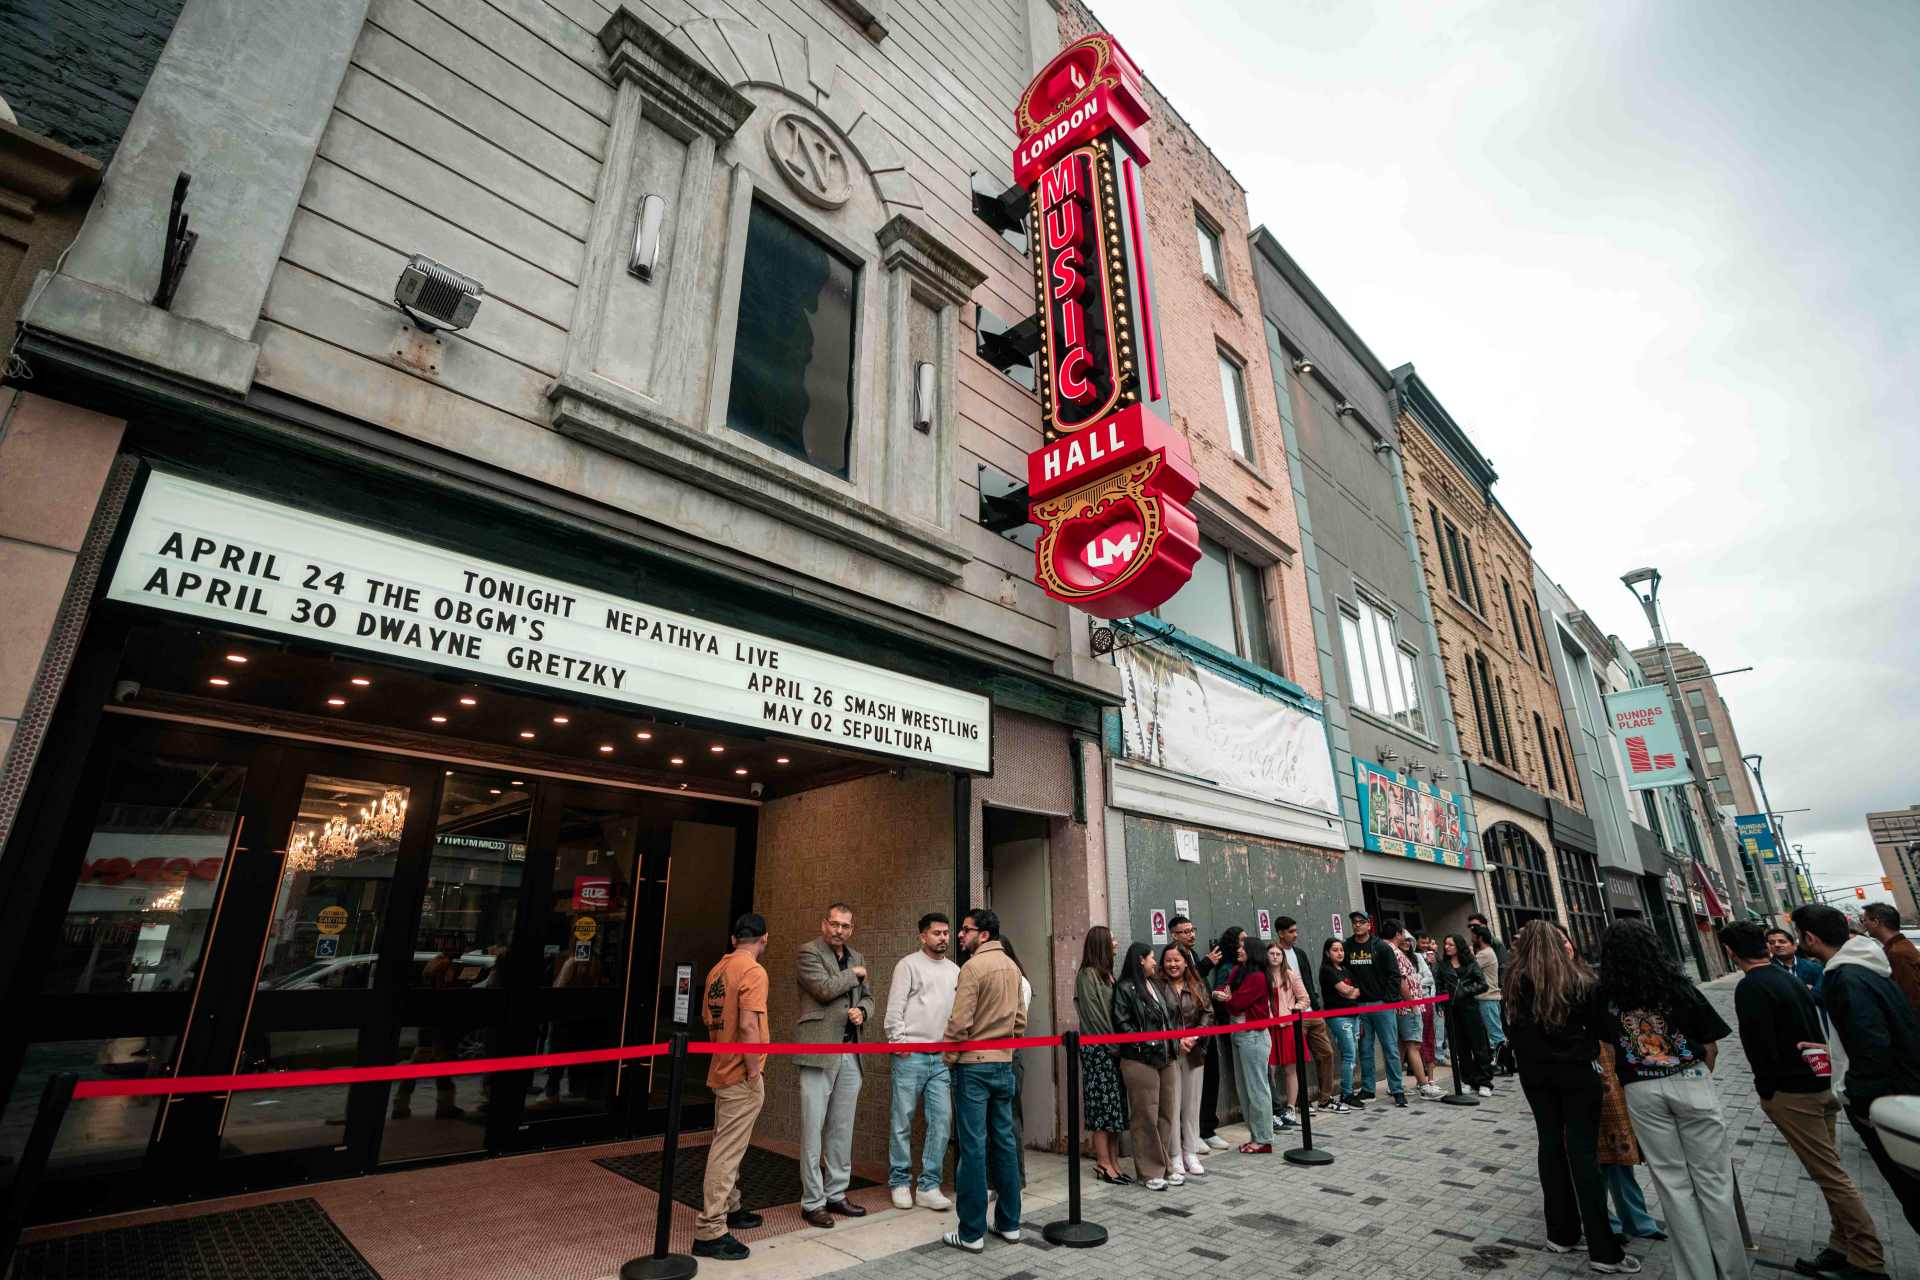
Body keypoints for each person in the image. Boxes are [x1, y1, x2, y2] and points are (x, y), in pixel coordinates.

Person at [1723, 920, 1885, 1279]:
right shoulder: (1789, 979)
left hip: (1793, 1092)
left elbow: (1759, 1045)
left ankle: (1868, 1260)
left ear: (1730, 952)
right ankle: (1841, 1246)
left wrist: (1767, 1089)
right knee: (1829, 1170)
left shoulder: (1753, 987)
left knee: (1830, 1175)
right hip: (1818, 1082)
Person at [1591, 920, 1746, 1280]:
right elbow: (1710, 1044)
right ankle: (1732, 1272)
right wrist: (1697, 1074)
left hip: (1641, 1089)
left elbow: (1608, 1045)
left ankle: (1696, 1274)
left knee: (1672, 1185)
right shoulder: (1675, 986)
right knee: (1714, 1182)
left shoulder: (1603, 995)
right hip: (1690, 1079)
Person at [1505, 920, 1640, 1274]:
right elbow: (1604, 1029)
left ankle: (1561, 1232)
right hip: (1578, 1074)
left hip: (1535, 1077)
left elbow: (1513, 1031)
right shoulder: (1579, 982)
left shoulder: (1514, 984)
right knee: (1583, 1155)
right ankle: (1603, 1249)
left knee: (1550, 1146)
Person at [1792, 903, 1920, 1238]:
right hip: (1899, 1089)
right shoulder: (1868, 967)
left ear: (1808, 937)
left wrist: (1863, 1102)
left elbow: (1871, 1041)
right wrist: (1831, 1051)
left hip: (1888, 1101)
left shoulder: (1845, 977)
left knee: (1913, 1195)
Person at [941, 909, 1025, 1254]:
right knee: (1004, 1143)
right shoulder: (1013, 967)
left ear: (984, 935)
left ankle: (972, 1231)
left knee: (973, 1148)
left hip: (973, 1068)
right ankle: (1009, 1223)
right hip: (1003, 1065)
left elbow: (960, 1022)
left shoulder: (973, 967)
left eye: (966, 930)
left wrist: (948, 1057)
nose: (961, 935)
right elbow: (1020, 1019)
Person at [694, 914, 771, 1262]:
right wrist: (754, 1073)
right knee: (726, 1152)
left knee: (729, 1144)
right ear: (764, 939)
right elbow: (748, 1025)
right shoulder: (754, 972)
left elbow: (708, 1019)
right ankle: (711, 1230)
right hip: (741, 1075)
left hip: (721, 1068)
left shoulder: (717, 970)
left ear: (732, 938)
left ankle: (732, 1207)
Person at [794, 903, 873, 1228]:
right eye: (834, 924)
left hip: (851, 1050)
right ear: (824, 923)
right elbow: (823, 990)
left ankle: (836, 1194)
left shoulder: (858, 956)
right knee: (813, 1128)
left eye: (845, 926)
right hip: (817, 1049)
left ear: (851, 929)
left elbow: (869, 996)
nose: (839, 930)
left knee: (843, 1127)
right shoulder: (808, 952)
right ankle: (812, 1202)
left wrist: (863, 1012)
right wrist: (851, 975)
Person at [884, 911, 959, 1211]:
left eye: (946, 933)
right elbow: (894, 1009)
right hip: (910, 1054)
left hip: (941, 1058)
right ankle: (900, 1181)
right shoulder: (908, 965)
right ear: (923, 936)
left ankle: (929, 1185)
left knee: (942, 1121)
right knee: (901, 1119)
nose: (943, 938)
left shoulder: (955, 970)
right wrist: (898, 1042)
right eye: (937, 933)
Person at [1112, 942, 1182, 1189]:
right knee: (1145, 1115)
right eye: (1152, 958)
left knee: (1165, 1113)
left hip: (1165, 1057)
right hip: (1140, 1059)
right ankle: (1149, 1171)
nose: (1156, 962)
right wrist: (1147, 1044)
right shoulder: (1124, 988)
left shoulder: (1155, 985)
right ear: (1141, 960)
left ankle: (1164, 1165)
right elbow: (1123, 1023)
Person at [1073, 926, 1129, 1184]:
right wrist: (1113, 1045)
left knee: (1115, 1109)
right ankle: (1103, 1163)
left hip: (1113, 1049)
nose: (1115, 943)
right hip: (1099, 1050)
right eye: (1111, 939)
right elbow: (1095, 1016)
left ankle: (1114, 1161)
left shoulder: (1108, 975)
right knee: (1101, 1108)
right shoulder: (1087, 975)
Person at [1596, 1040, 1665, 1246]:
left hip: (1615, 1073)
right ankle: (1605, 1222)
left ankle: (1637, 1221)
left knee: (1621, 1153)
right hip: (1587, 1070)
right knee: (1596, 1157)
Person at [1173, 916, 1232, 1152]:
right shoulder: (1175, 958)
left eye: (1192, 929)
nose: (1191, 935)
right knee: (1190, 1088)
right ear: (1174, 935)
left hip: (1207, 1027)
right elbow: (1187, 981)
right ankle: (1192, 1133)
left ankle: (1207, 1129)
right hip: (1188, 1033)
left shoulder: (1194, 955)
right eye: (1185, 931)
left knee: (1211, 1080)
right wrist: (1207, 963)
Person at [1214, 929, 1275, 1152]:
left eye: (1243, 947)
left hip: (1254, 1036)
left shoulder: (1258, 976)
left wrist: (1229, 998)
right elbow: (1226, 991)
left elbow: (1235, 1003)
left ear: (1252, 952)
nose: (1239, 950)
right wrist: (1229, 996)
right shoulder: (1239, 971)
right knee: (1244, 1089)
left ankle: (1264, 1139)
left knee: (1257, 1088)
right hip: (1239, 1034)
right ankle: (1255, 1136)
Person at [1345, 912, 1409, 1106]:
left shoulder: (1381, 946)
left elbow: (1394, 975)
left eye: (1361, 922)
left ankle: (1397, 1090)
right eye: (1354, 922)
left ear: (1369, 924)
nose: (1357, 925)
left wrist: (1388, 1000)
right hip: (1360, 1007)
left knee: (1390, 1048)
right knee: (1365, 1049)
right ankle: (1367, 1089)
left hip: (1381, 1005)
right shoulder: (1347, 946)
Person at [1276, 917, 1339, 1109]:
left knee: (1326, 1053)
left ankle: (1325, 1098)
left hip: (1311, 1011)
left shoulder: (1300, 953)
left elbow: (1308, 980)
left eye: (1296, 930)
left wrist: (1314, 1003)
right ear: (1281, 933)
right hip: (1292, 1014)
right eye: (1291, 931)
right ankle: (1301, 1102)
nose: (1296, 935)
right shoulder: (1275, 954)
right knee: (1297, 1061)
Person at [1161, 943, 1211, 1175]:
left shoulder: (1197, 984)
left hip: (1194, 1053)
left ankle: (1190, 1151)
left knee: (1192, 1105)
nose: (1172, 964)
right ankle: (1174, 1155)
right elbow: (1157, 1019)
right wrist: (1175, 1041)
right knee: (1172, 1105)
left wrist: (1194, 1036)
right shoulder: (1158, 986)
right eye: (1168, 960)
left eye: (1177, 960)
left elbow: (1207, 1014)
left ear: (1185, 962)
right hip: (1170, 1053)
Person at [1258, 939, 1313, 1132]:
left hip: (1288, 1026)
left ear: (1283, 957)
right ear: (1266, 955)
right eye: (1271, 953)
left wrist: (1292, 1009)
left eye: (1278, 954)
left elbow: (1305, 998)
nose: (1275, 957)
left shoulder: (1290, 974)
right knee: (1269, 1070)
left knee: (1291, 1069)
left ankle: (1290, 1107)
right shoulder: (1261, 976)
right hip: (1268, 1027)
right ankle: (1275, 1108)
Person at [1386, 921, 1443, 1100]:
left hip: (1406, 1005)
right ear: (1398, 934)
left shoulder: (1393, 951)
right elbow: (1401, 980)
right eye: (1404, 934)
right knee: (1413, 1044)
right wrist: (1411, 1003)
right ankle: (1424, 1085)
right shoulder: (1393, 952)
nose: (1407, 939)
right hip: (1407, 1006)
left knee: (1403, 1045)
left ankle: (1395, 1084)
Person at [1435, 933, 1494, 1095]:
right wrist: (1440, 1002)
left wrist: (1464, 991)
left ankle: (1484, 1082)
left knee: (1479, 1045)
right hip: (1452, 1011)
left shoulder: (1470, 963)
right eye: (1445, 944)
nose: (1446, 947)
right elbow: (1438, 985)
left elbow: (1482, 984)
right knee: (1461, 1048)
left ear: (1458, 946)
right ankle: (1467, 1080)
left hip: (1470, 1008)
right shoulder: (1443, 965)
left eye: (1450, 944)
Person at [1317, 938, 1359, 1112]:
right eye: (1335, 950)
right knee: (1349, 1055)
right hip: (1339, 1017)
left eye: (1341, 949)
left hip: (1354, 1016)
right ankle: (1346, 1094)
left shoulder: (1346, 970)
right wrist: (1350, 992)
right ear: (1327, 953)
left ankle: (1348, 1091)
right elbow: (1345, 990)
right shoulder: (1326, 970)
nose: (1340, 953)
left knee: (1352, 1055)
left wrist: (1351, 992)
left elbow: (1356, 991)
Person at [1861, 903, 1920, 1016]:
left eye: (1864, 920)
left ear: (1876, 922)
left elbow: (1911, 998)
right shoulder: (1900, 946)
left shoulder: (1897, 953)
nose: (1864, 925)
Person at [1471, 921, 1509, 1072]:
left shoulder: (1485, 954)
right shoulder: (1486, 952)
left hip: (1488, 998)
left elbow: (1470, 968)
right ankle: (1499, 1063)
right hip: (1487, 998)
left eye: (1473, 935)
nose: (1472, 938)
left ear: (1480, 938)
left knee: (1495, 1033)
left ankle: (1503, 1063)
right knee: (1492, 1033)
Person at [1420, 935, 1447, 1066]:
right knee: (1428, 1030)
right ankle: (1432, 1056)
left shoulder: (1435, 958)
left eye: (1429, 943)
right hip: (1424, 999)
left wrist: (1435, 961)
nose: (1427, 946)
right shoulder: (1417, 957)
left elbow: (1440, 975)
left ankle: (1440, 1054)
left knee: (1439, 1027)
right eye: (1424, 943)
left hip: (1437, 997)